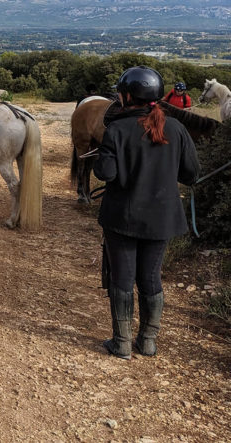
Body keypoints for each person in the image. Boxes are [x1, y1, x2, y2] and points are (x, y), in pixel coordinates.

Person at [94, 66, 199, 359]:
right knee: (151, 278)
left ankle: (122, 343)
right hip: (163, 218)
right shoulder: (176, 129)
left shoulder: (116, 130)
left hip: (122, 219)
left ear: (128, 96)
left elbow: (106, 173)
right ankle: (149, 340)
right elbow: (191, 174)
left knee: (122, 278)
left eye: (120, 92)